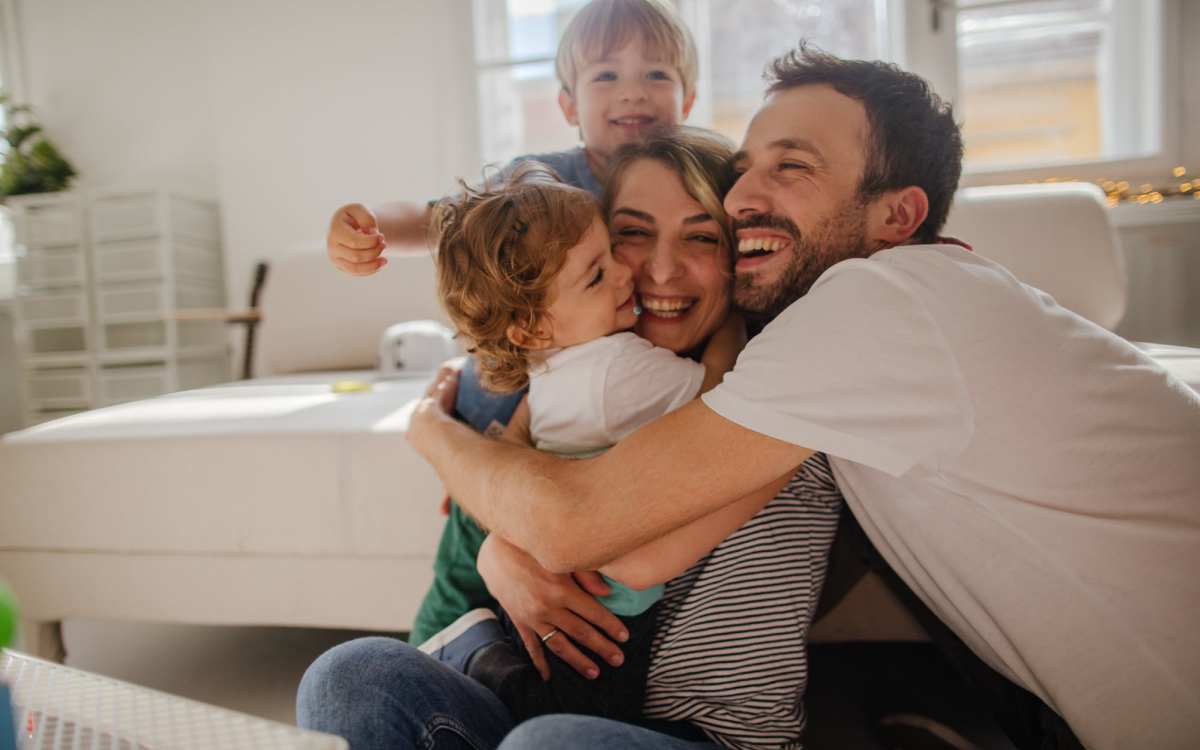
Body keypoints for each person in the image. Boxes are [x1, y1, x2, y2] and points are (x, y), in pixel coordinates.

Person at [406, 45, 1200, 750]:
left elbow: (584, 529)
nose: (742, 197)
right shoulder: (858, 334)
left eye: (791, 167)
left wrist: (430, 431)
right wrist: (499, 541)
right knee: (367, 675)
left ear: (899, 215)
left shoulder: (875, 304)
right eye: (745, 169)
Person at [299, 129, 842, 749]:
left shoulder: (776, 389)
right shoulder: (581, 371)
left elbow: (595, 535)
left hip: (705, 737)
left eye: (701, 237)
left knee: (549, 743)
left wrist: (437, 438)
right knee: (349, 675)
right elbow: (521, 476)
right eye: (630, 234)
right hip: (544, 705)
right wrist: (494, 540)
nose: (655, 270)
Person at [334, 0, 703, 647]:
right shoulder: (540, 182)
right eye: (606, 76)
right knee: (462, 574)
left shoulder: (697, 179)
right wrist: (370, 227)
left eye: (656, 75)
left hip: (593, 427)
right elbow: (442, 219)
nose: (633, 92)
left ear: (689, 98)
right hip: (499, 417)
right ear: (567, 104)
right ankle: (434, 653)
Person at [418, 160, 753, 724]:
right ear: (532, 327)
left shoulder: (549, 363)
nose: (629, 275)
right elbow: (716, 392)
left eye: (701, 236)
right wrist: (733, 327)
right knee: (584, 705)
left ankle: (467, 656)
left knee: (535, 700)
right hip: (602, 603)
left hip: (558, 574)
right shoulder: (617, 366)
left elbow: (514, 443)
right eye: (599, 274)